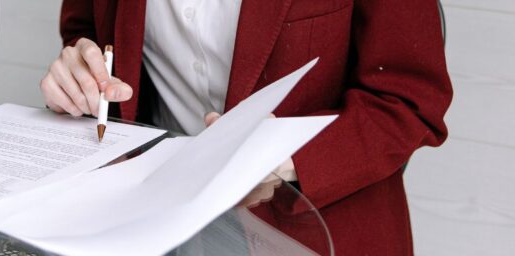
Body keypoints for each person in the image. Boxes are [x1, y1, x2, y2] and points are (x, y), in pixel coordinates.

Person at [41, 0, 451, 254]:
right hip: (147, 218)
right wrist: (79, 71)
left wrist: (285, 156)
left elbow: (410, 99)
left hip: (311, 228)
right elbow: (87, 32)